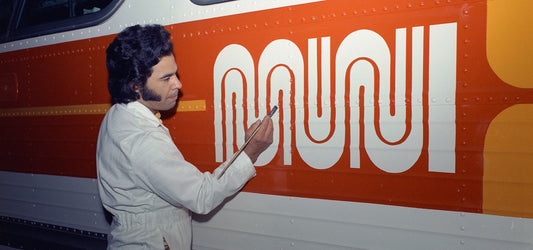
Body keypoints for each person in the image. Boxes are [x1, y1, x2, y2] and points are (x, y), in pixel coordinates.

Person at [96, 24, 273, 249]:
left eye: (175, 74)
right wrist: (250, 152)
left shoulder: (118, 115)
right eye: (166, 78)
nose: (178, 84)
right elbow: (202, 196)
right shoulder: (141, 140)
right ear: (135, 86)